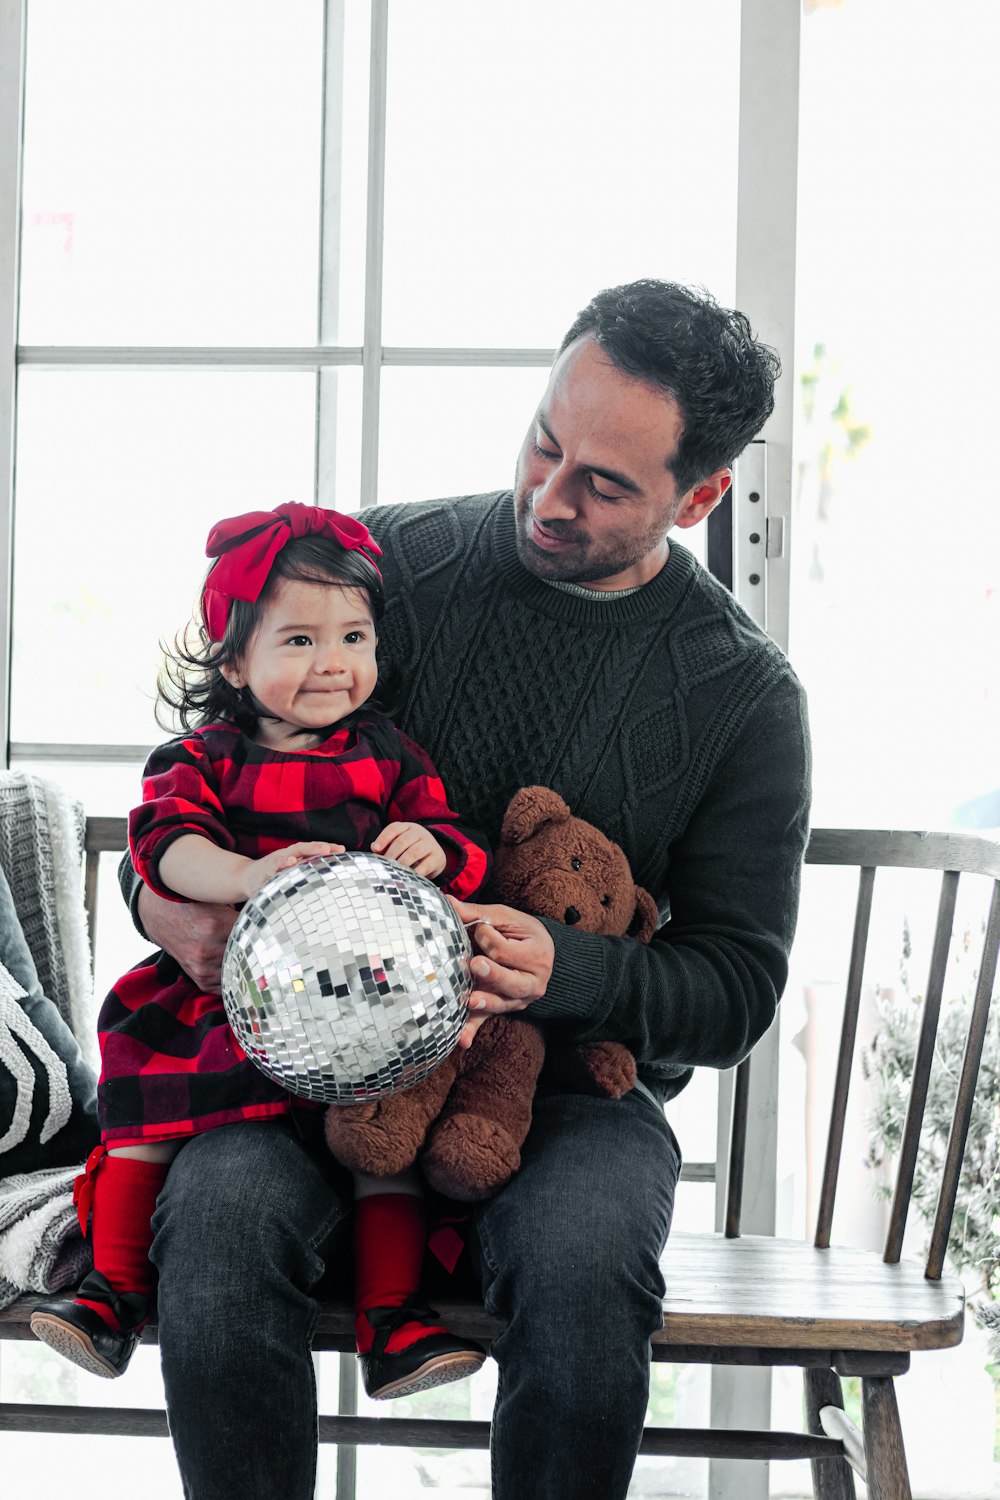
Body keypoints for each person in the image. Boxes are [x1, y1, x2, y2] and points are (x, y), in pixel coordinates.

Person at [120, 279, 811, 1500]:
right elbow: (204, 780)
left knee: (585, 1268)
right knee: (219, 1225)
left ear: (699, 499)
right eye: (545, 440)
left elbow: (737, 988)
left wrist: (570, 968)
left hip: (559, 1093)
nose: (548, 495)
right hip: (302, 1066)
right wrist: (166, 907)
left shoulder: (743, 696)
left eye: (604, 483)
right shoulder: (390, 569)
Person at [29, 503, 491, 1400]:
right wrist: (246, 876)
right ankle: (110, 1290)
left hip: (363, 1004)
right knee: (155, 1116)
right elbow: (164, 848)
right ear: (234, 661)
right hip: (225, 996)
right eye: (299, 641)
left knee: (378, 1144)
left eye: (354, 636)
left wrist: (434, 850)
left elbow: (453, 843)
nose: (332, 664)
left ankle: (392, 1318)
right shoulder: (203, 759)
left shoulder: (389, 758)